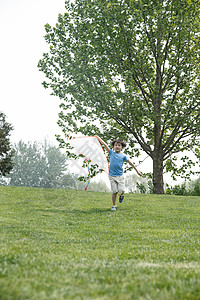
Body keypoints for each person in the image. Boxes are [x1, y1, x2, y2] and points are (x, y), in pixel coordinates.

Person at [95, 135, 142, 211]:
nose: (117, 146)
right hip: (111, 176)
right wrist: (98, 138)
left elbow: (131, 163)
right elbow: (105, 145)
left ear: (122, 148)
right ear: (113, 147)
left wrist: (137, 171)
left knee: (121, 190)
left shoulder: (123, 156)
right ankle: (114, 205)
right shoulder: (111, 153)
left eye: (119, 145)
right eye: (116, 145)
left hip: (120, 176)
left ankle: (122, 195)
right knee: (114, 191)